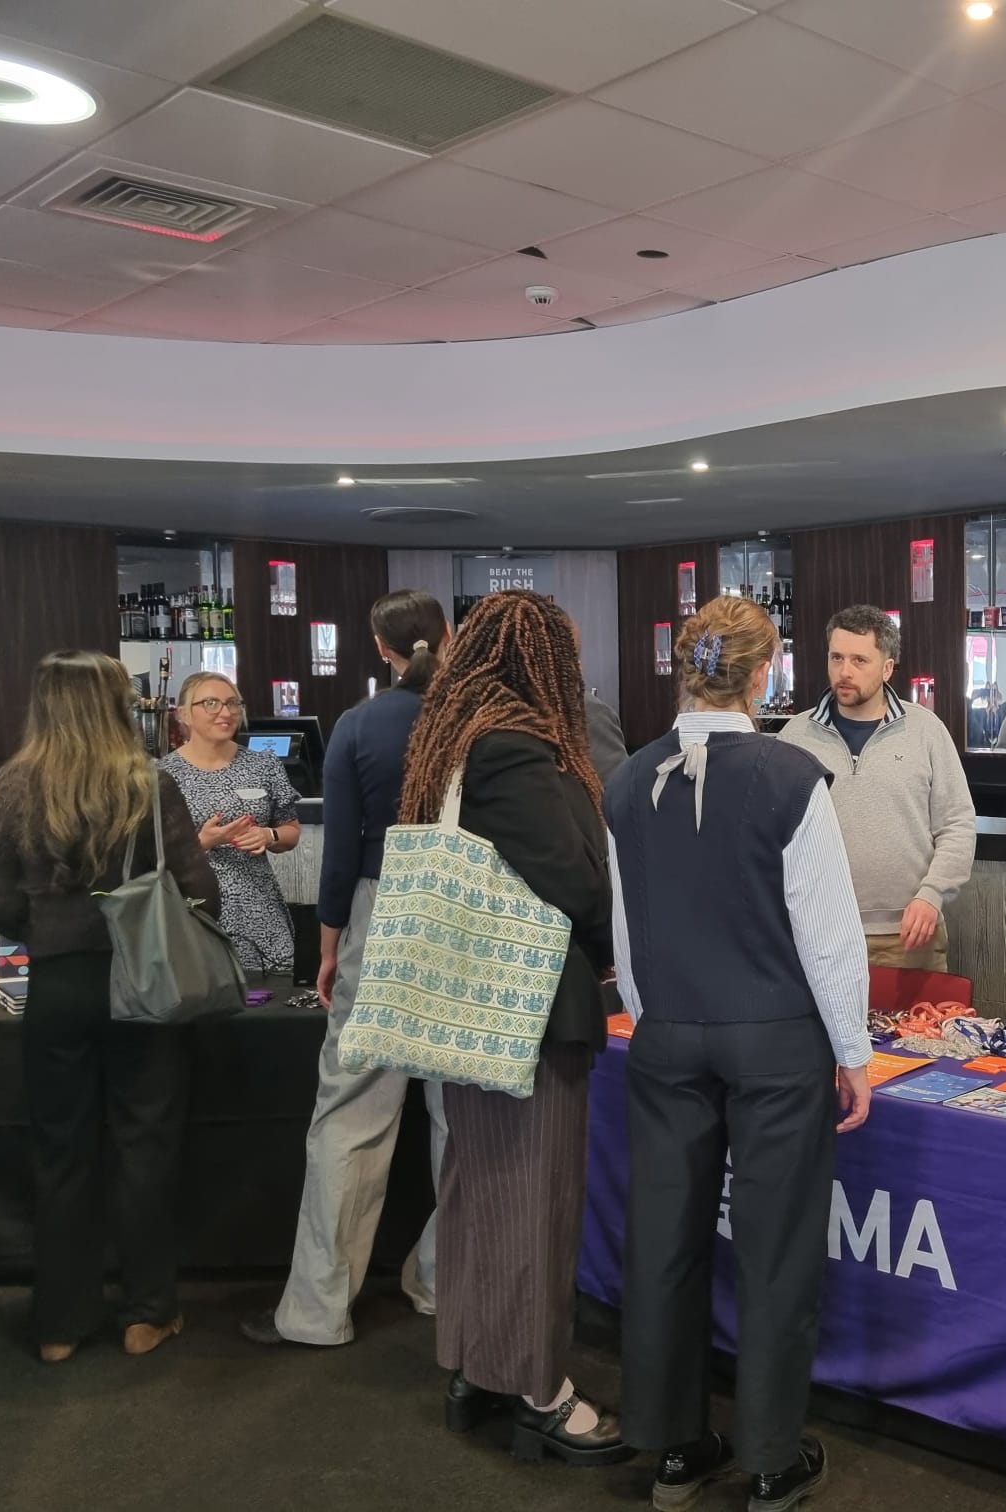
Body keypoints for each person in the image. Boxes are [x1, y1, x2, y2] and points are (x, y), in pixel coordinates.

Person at [607, 595, 872, 1512]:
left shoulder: (627, 779)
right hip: (775, 1043)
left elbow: (626, 933)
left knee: (664, 1243)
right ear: (765, 675)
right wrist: (855, 1051)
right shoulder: (791, 776)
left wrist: (657, 1017)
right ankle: (769, 1458)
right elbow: (829, 937)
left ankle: (674, 1449)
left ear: (685, 669)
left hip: (668, 1034)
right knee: (775, 1246)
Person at [405, 592, 627, 1467]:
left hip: (476, 1008)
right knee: (536, 1202)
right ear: (545, 663)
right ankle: (540, 1390)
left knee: (479, 1193)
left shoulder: (457, 743)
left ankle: (475, 1367)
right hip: (531, 1014)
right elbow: (576, 878)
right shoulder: (519, 751)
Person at [0, 651, 220, 1361]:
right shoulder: (149, 782)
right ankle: (148, 1314)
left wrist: (49, 929)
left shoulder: (16, 784)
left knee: (61, 1151)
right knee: (144, 1147)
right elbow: (199, 888)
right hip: (141, 984)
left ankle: (59, 1324)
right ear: (116, 704)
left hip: (57, 985)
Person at [242, 590, 452, 1349]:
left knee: (351, 1112)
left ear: (380, 647)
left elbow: (339, 857)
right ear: (448, 636)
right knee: (463, 1119)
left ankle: (317, 1311)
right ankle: (443, 1283)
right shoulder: (482, 721)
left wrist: (329, 949)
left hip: (378, 906)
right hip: (465, 913)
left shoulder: (362, 726)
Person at [778, 605, 975, 972]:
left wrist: (932, 896)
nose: (844, 671)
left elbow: (957, 824)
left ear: (887, 668)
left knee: (917, 1031)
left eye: (859, 660)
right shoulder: (795, 737)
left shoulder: (926, 731)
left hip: (910, 934)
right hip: (820, 933)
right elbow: (775, 836)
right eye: (836, 658)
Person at [163, 671, 301, 977]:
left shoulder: (264, 765)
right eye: (211, 703)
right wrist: (202, 844)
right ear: (184, 714)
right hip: (194, 914)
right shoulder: (162, 774)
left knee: (272, 1007)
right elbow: (151, 858)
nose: (225, 713)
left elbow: (291, 832)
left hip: (260, 909)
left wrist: (269, 835)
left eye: (232, 703)